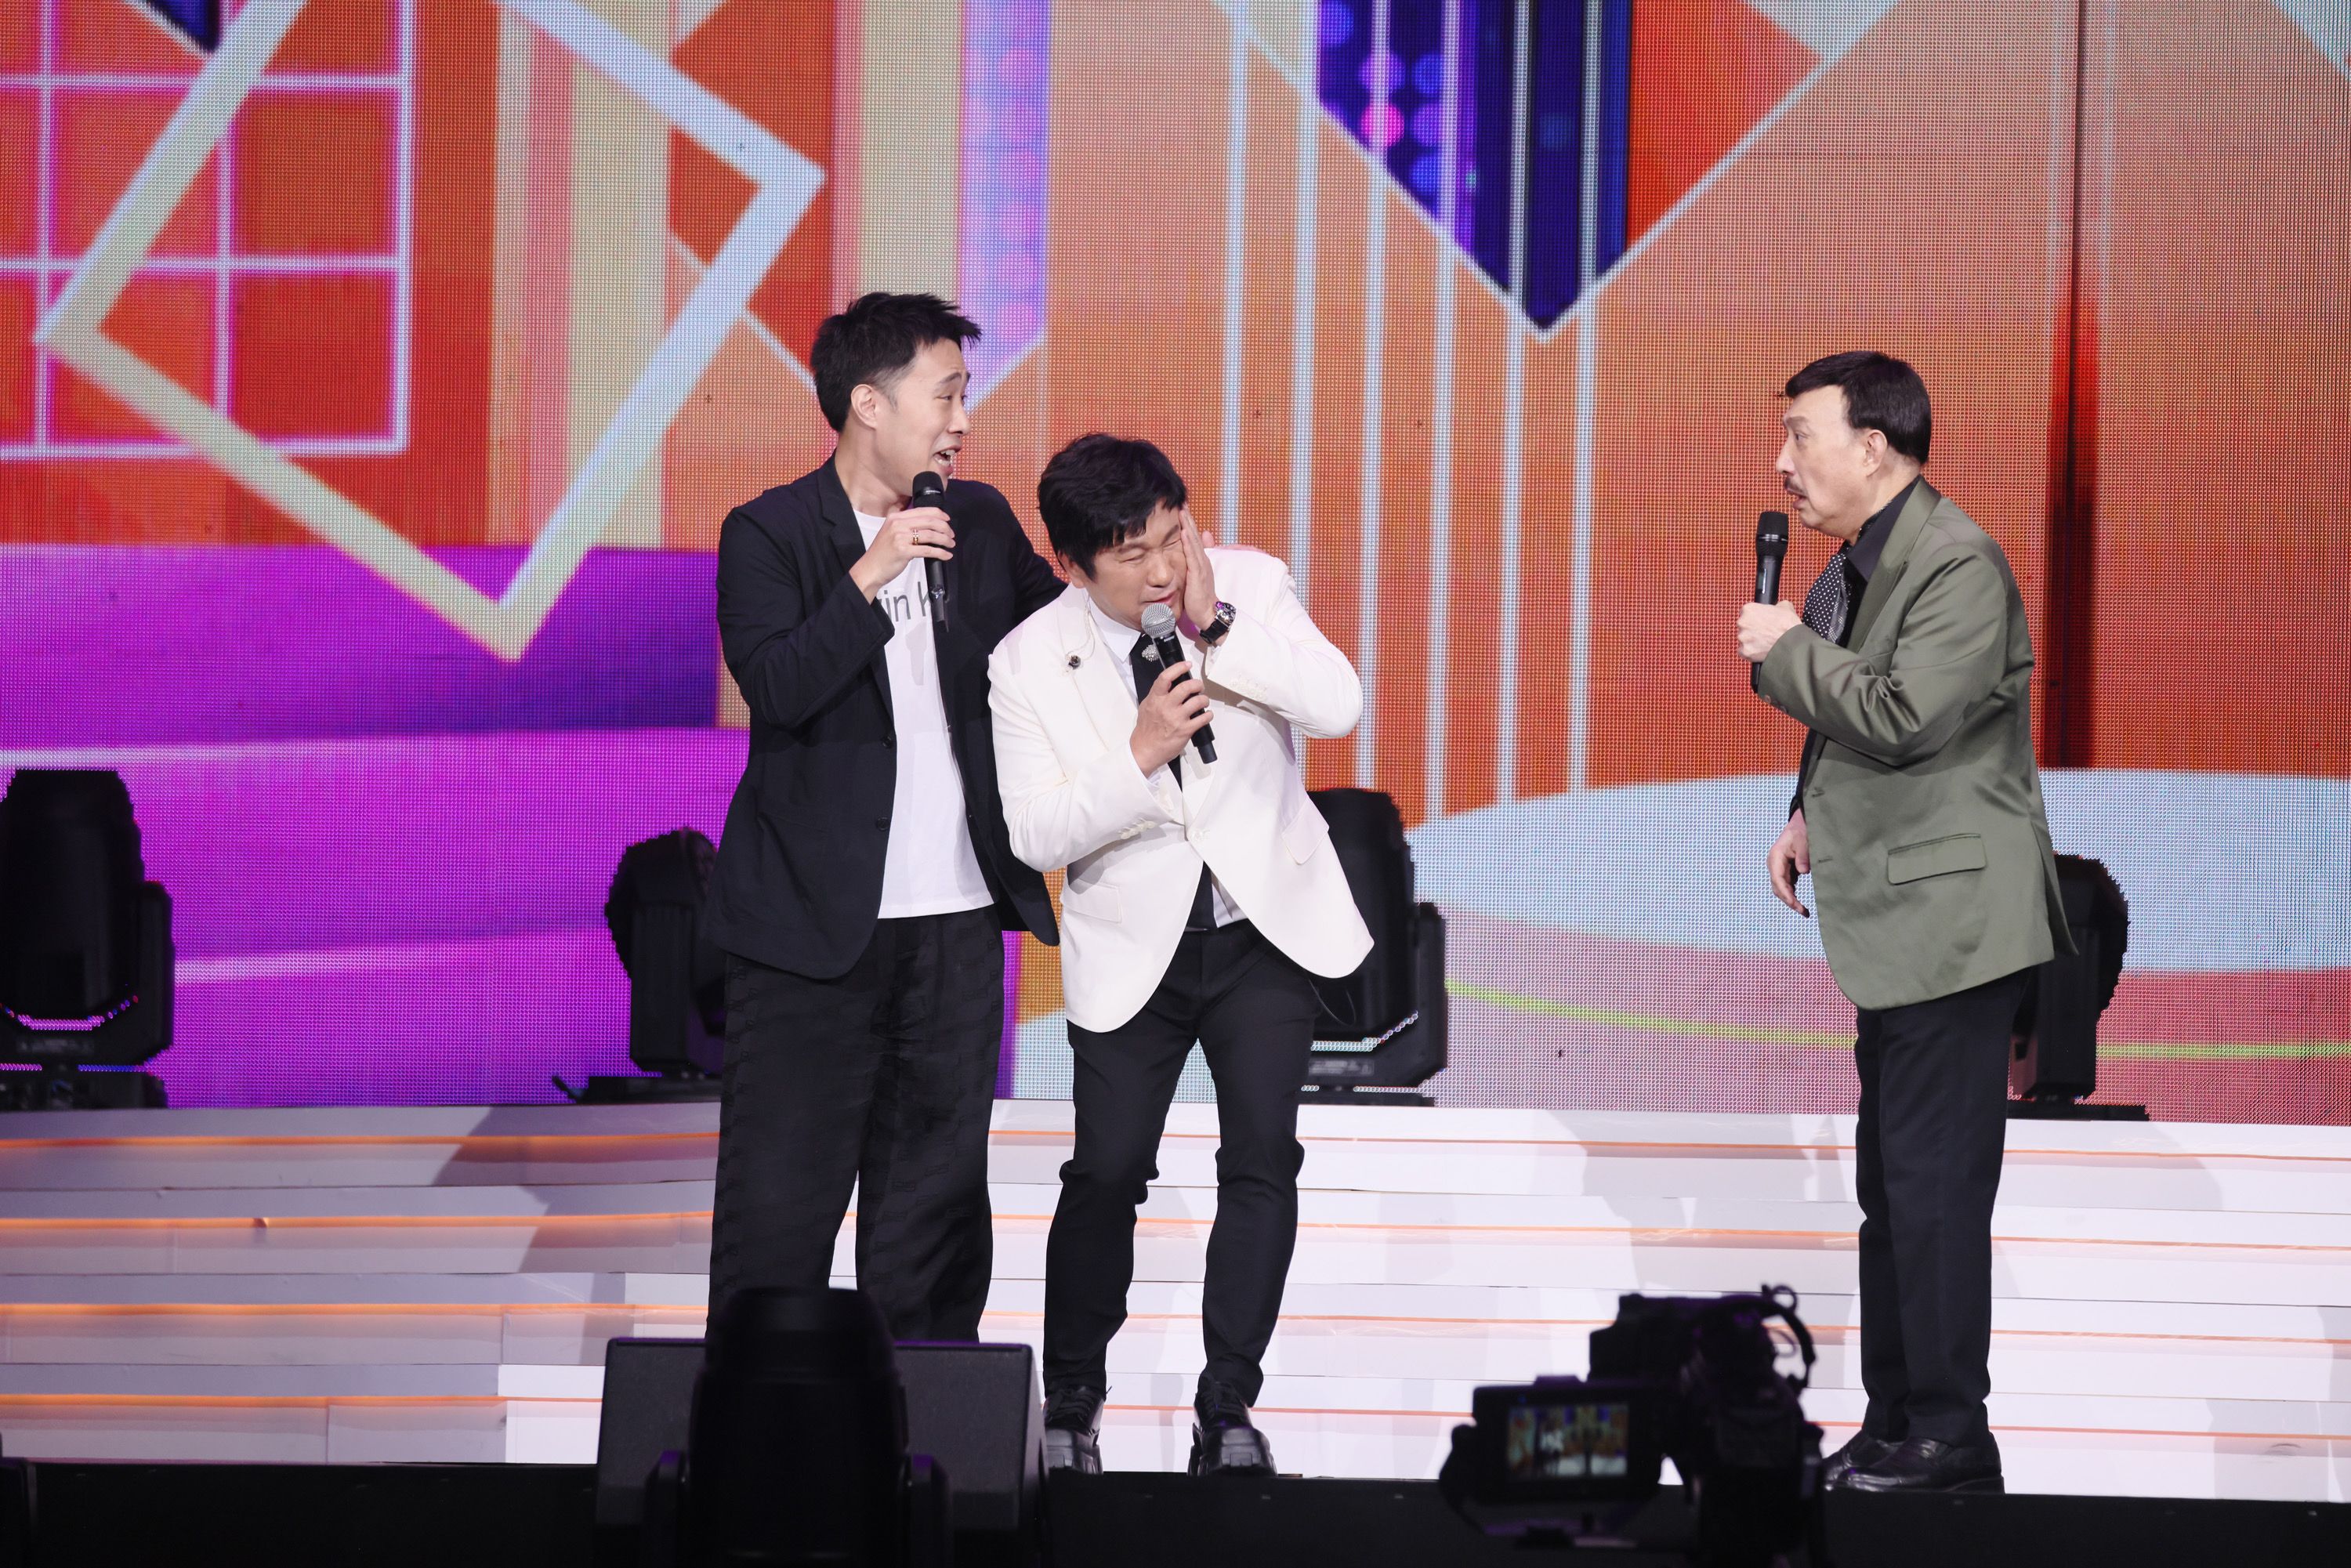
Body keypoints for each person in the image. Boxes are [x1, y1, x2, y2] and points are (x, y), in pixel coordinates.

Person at [987, 434, 1372, 1476]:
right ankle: (1072, 1396)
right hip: (1133, 950)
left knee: (1262, 1158)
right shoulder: (1027, 661)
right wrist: (1139, 755)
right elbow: (1035, 833)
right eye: (1133, 555)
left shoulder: (1249, 585)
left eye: (1174, 537)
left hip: (1261, 931)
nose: (1164, 570)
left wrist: (1222, 625)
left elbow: (1338, 706)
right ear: (1072, 564)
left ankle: (1228, 1404)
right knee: (1107, 1170)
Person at [1739, 350, 2073, 1494]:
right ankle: (1896, 1420)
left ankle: (1950, 1434)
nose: (1785, 464)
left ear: (1873, 447)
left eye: (1802, 436)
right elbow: (1855, 721)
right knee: (1893, 1193)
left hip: (1953, 924)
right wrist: (1806, 813)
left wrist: (1785, 649)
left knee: (1934, 1190)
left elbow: (1905, 713)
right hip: (1898, 921)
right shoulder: (1865, 562)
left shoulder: (1956, 561)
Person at [704, 292, 1065, 1339]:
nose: (962, 420)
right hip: (807, 938)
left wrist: (1144, 584)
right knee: (780, 1214)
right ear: (869, 402)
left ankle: (926, 1426)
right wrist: (873, 571)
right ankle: (761, 1422)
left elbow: (1061, 645)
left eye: (964, 397)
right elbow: (779, 687)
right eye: (945, 396)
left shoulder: (978, 520)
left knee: (932, 1218)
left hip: (955, 926)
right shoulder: (770, 532)